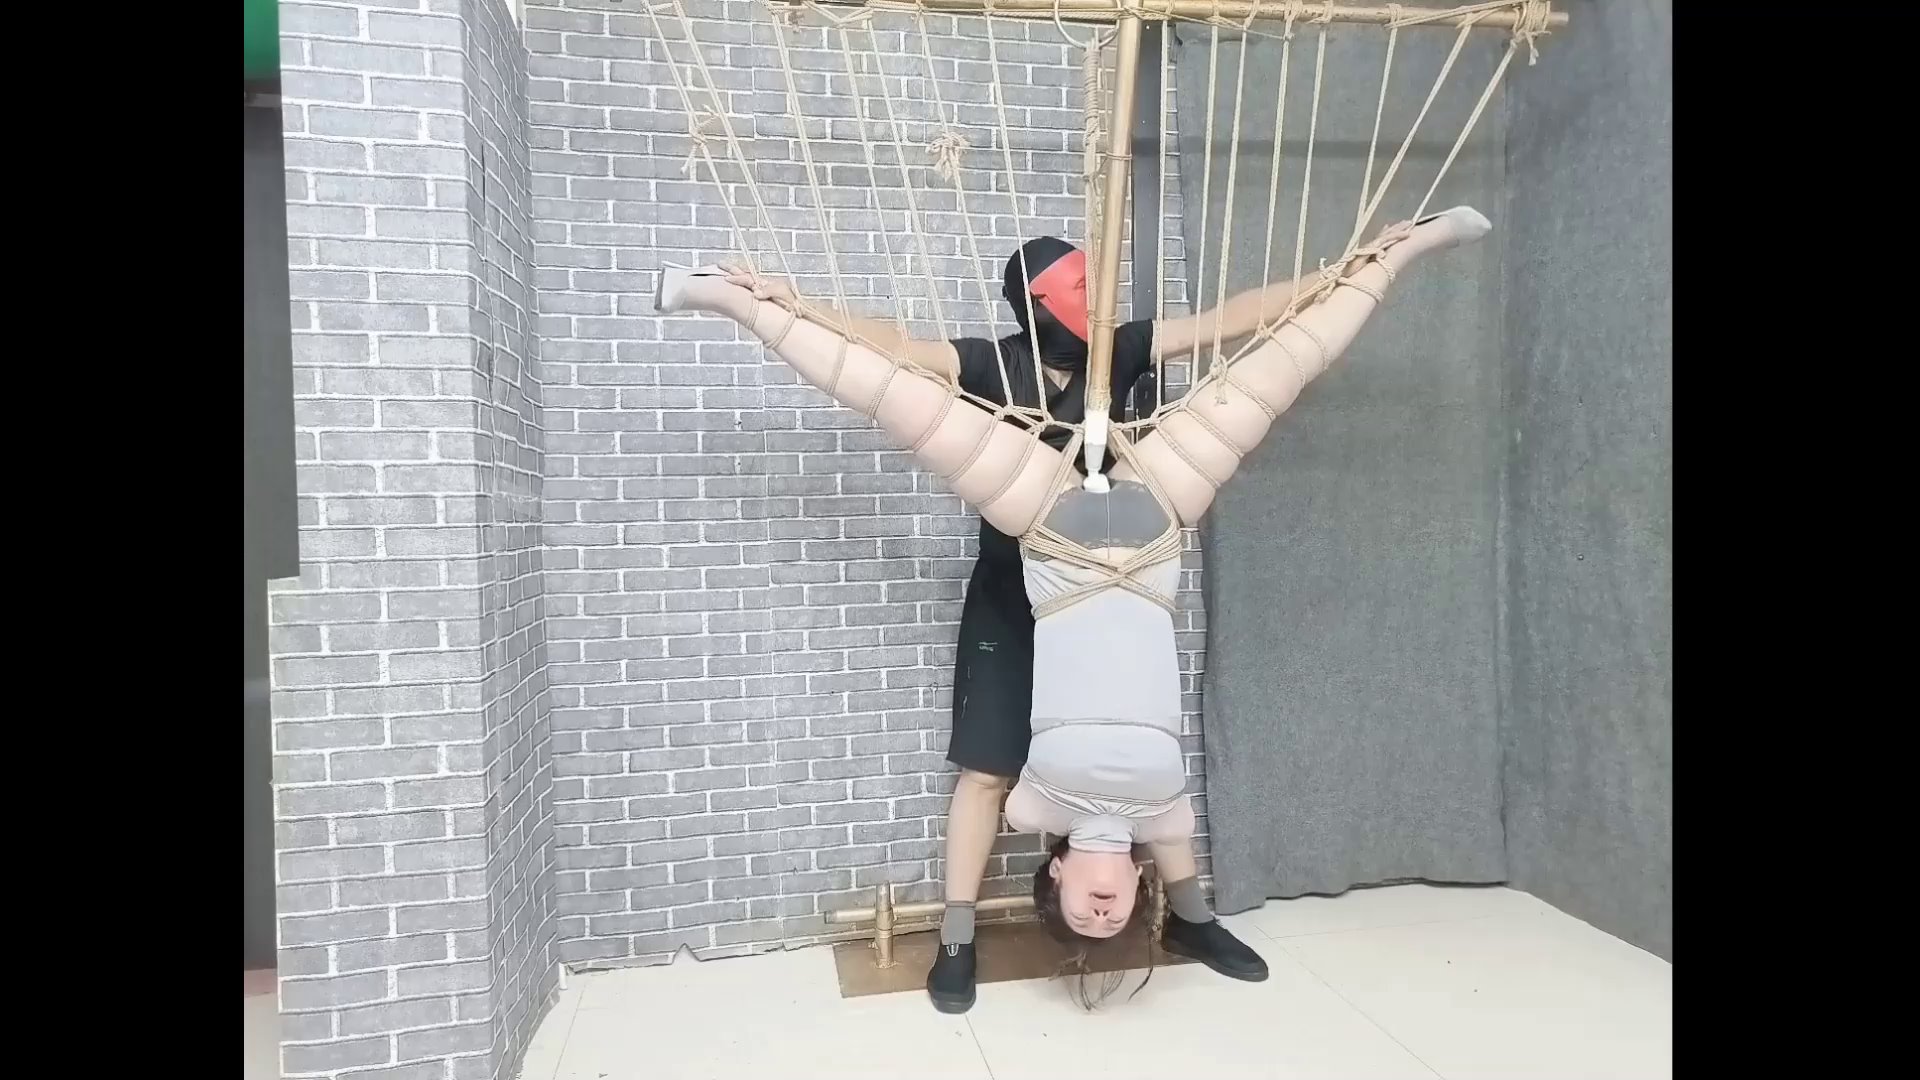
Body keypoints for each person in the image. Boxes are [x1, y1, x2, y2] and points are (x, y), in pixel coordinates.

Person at [654, 206, 1491, 1011]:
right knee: (987, 769)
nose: (1099, 299)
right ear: (1037, 299)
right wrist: (793, 303)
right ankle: (957, 939)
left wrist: (1345, 268)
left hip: (1117, 570)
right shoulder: (991, 364)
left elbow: (1237, 321)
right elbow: (889, 353)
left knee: (1143, 760)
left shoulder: (1118, 349)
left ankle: (1192, 919)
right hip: (1023, 578)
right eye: (1081, 287)